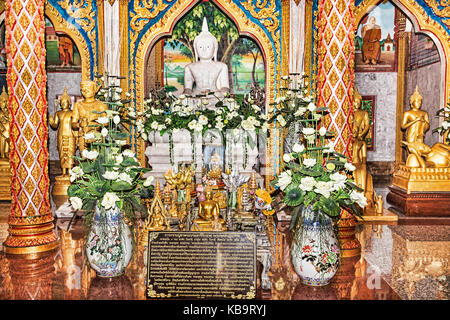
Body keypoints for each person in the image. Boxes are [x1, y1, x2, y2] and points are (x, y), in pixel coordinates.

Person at [183, 18, 229, 96]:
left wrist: (223, 92)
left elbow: (225, 86)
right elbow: (188, 89)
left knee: (229, 102)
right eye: (200, 47)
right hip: (196, 96)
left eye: (208, 47)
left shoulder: (222, 66)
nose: (204, 50)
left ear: (214, 49)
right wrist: (186, 94)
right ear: (196, 49)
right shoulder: (190, 67)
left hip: (215, 96)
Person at [71, 80, 108, 155]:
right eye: (83, 89)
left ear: (95, 90)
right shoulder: (78, 105)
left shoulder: (101, 105)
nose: (85, 91)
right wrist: (80, 125)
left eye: (88, 88)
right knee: (84, 159)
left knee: (95, 160)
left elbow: (106, 123)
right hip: (83, 135)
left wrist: (92, 125)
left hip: (96, 135)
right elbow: (73, 123)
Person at [49, 88, 76, 175]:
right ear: (60, 104)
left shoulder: (72, 113)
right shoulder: (58, 113)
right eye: (62, 103)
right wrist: (51, 121)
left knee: (70, 152)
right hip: (61, 134)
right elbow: (55, 125)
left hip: (70, 135)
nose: (64, 104)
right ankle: (64, 172)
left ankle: (70, 172)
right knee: (62, 153)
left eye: (66, 102)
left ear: (69, 103)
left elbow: (74, 124)